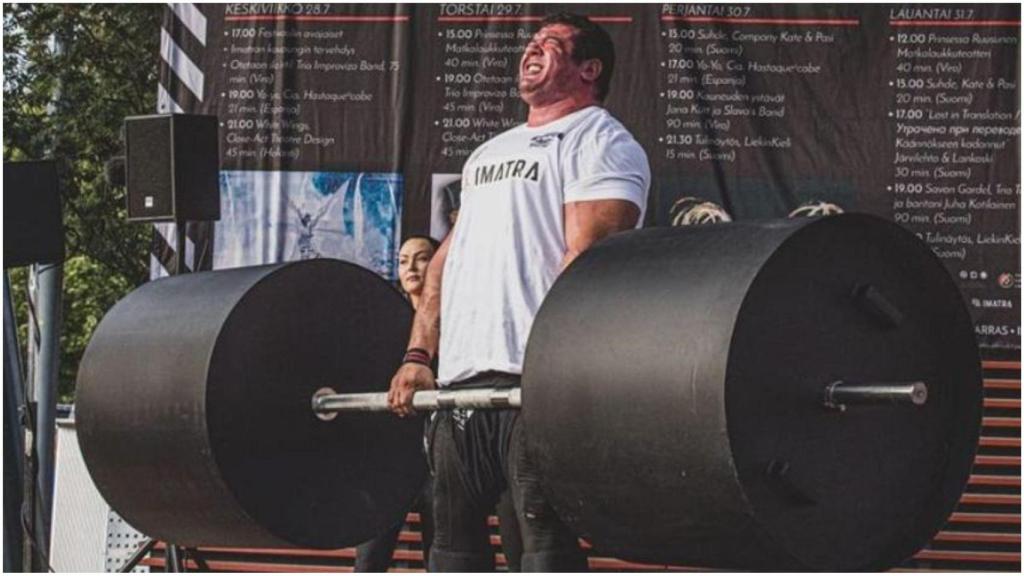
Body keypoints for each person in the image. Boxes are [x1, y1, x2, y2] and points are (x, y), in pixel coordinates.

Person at [388, 12, 650, 572]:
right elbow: (443, 266)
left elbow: (589, 261)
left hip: (534, 386)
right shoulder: (486, 154)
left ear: (589, 68)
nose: (530, 50)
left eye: (549, 44)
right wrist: (417, 357)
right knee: (452, 551)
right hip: (461, 387)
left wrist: (550, 367)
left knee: (543, 546)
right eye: (529, 42)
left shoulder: (599, 139)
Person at [355, 236, 440, 572]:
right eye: (404, 261)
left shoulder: (459, 316)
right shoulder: (383, 319)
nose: (412, 268)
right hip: (388, 456)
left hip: (437, 456)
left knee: (439, 552)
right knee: (371, 556)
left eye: (421, 259)